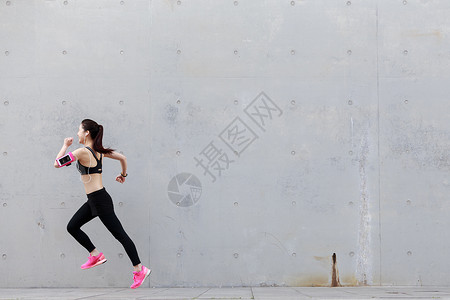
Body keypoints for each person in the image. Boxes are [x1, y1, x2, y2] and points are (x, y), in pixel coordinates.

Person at [54, 119, 151, 289]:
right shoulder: (99, 152)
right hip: (95, 200)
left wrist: (65, 145)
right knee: (72, 227)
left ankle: (139, 269)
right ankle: (95, 255)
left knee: (120, 235)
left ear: (86, 133)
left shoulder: (82, 152)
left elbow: (57, 163)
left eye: (79, 130)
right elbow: (123, 157)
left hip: (100, 201)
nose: (77, 133)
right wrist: (123, 175)